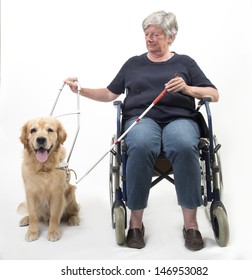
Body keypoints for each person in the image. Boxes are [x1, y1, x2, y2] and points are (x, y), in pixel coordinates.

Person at [64, 10, 219, 251]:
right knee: (141, 144)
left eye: (155, 34)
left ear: (171, 37)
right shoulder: (133, 64)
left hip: (180, 118)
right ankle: (135, 225)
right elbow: (109, 94)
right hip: (141, 119)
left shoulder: (185, 63)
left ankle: (191, 225)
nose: (149, 38)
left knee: (183, 144)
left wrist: (188, 89)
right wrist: (80, 89)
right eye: (146, 34)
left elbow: (214, 94)